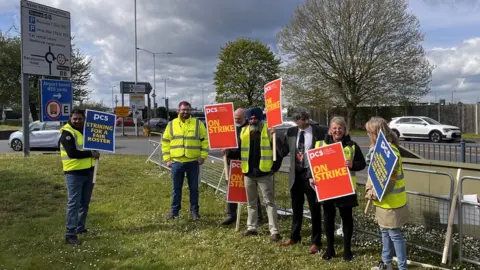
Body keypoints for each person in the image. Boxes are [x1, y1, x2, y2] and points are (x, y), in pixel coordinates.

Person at [308, 116, 366, 261]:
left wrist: (353, 164)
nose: (337, 130)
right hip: (326, 188)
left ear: (344, 130)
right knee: (328, 219)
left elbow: (362, 164)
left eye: (340, 128)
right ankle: (330, 249)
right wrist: (310, 177)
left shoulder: (352, 145)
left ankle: (347, 251)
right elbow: (311, 164)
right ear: (329, 130)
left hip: (345, 190)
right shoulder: (319, 144)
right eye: (334, 128)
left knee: (347, 220)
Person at [280, 109, 328, 254]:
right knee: (296, 208)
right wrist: (274, 139)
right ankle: (294, 237)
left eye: (306, 118)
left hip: (312, 176)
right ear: (296, 121)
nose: (305, 121)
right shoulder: (291, 132)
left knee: (314, 209)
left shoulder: (319, 131)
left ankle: (316, 241)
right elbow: (283, 150)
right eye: (301, 119)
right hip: (296, 176)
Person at [365, 117, 408, 270]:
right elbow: (373, 173)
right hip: (383, 203)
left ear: (377, 133)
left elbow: (389, 180)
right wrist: (369, 189)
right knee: (384, 233)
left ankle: (402, 267)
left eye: (370, 132)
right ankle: (386, 263)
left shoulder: (391, 152)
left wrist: (374, 193)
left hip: (392, 203)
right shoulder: (378, 149)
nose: (368, 135)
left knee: (395, 236)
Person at [239, 107, 283, 241]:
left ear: (261, 118)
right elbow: (240, 151)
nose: (253, 120)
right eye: (251, 118)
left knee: (269, 202)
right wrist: (227, 152)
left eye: (255, 118)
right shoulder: (243, 131)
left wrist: (273, 169)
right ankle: (251, 227)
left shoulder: (269, 131)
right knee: (251, 202)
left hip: (264, 173)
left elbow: (280, 152)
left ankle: (274, 231)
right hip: (248, 173)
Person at [161, 101, 209, 220]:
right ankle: (174, 212)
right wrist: (167, 159)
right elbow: (165, 142)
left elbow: (205, 141)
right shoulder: (171, 124)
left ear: (190, 110)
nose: (185, 112)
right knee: (176, 189)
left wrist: (203, 156)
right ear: (179, 110)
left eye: (187, 110)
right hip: (177, 162)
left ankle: (194, 212)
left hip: (193, 162)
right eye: (183, 110)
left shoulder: (198, 124)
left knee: (194, 189)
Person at [59, 109, 100, 245]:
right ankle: (70, 234)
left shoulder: (86, 131)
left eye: (80, 119)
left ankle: (80, 228)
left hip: (89, 171)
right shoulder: (67, 133)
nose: (77, 121)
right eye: (75, 119)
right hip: (74, 173)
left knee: (84, 203)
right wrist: (91, 154)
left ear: (84, 119)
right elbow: (72, 152)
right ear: (70, 119)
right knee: (74, 203)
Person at [220, 108, 263, 226]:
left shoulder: (250, 130)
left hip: (245, 164)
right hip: (231, 163)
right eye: (235, 118)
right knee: (231, 188)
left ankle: (258, 217)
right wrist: (226, 152)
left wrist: (232, 152)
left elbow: (244, 150)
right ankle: (231, 214)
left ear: (245, 117)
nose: (236, 120)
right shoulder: (231, 129)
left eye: (238, 118)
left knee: (251, 190)